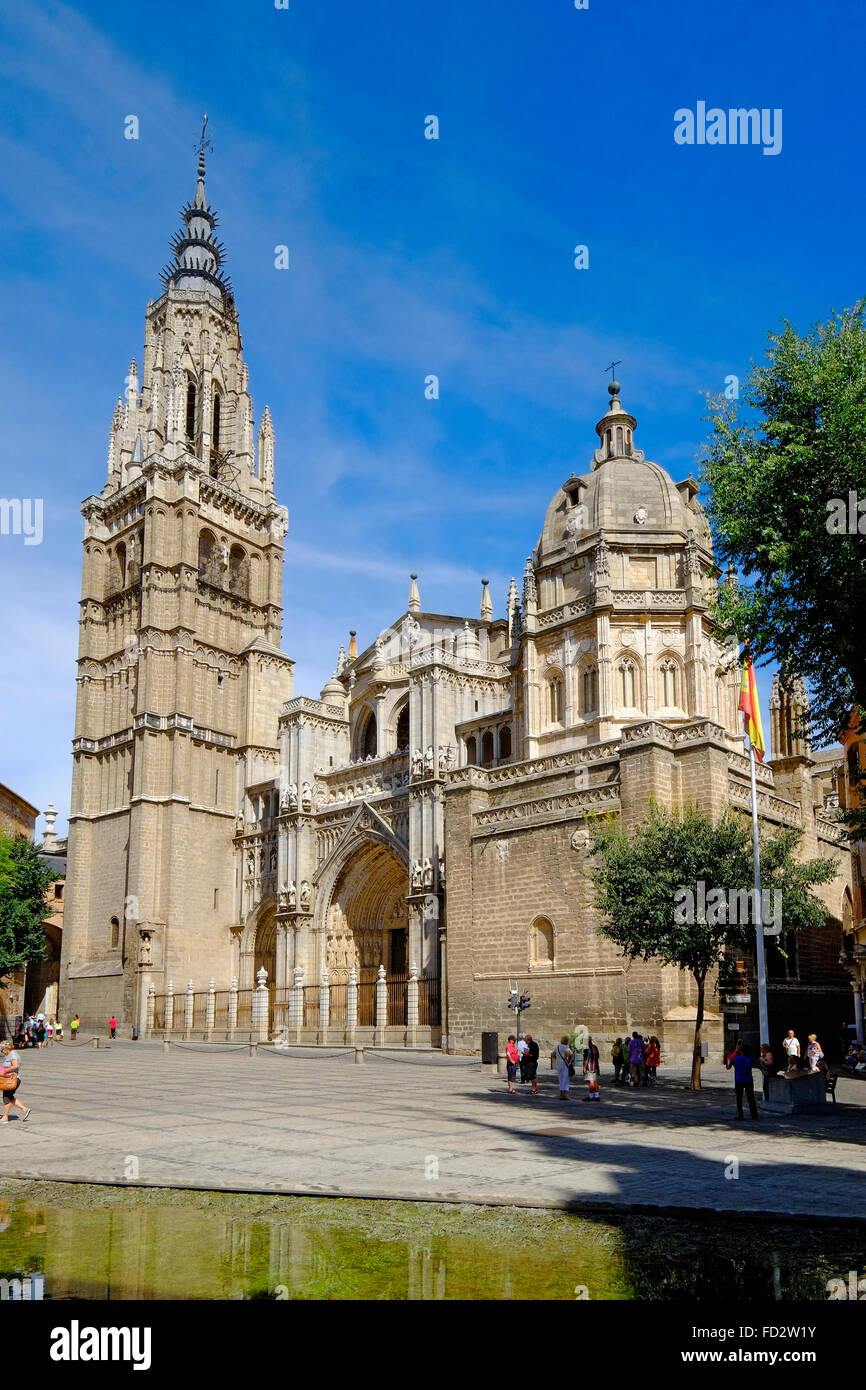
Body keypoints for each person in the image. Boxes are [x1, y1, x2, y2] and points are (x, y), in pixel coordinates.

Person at [726, 1042, 759, 1120]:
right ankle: (754, 1115)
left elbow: (729, 1061)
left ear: (741, 1051)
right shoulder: (750, 1058)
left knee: (739, 1098)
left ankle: (740, 1115)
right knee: (751, 1098)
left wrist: (735, 1051)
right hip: (748, 1079)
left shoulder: (737, 1059)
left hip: (739, 1080)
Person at [0, 1041, 31, 1123]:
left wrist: (5, 1071)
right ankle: (25, 1109)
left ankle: (5, 1117)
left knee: (6, 1097)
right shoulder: (11, 1054)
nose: (2, 1052)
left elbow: (15, 1066)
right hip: (11, 1079)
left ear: (5, 1048)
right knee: (9, 1096)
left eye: (2, 1050)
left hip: (13, 1079)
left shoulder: (12, 1054)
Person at [551, 1036, 573, 1100]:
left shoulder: (558, 1046)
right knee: (565, 1079)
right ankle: (564, 1095)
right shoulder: (566, 1047)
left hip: (558, 1063)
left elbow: (553, 1054)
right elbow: (568, 1054)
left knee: (560, 1079)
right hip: (564, 1064)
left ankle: (561, 1093)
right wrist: (568, 1061)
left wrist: (557, 1058)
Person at [583, 1035, 601, 1101]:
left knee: (591, 1082)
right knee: (595, 1081)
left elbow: (586, 1059)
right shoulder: (595, 1047)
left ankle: (590, 1096)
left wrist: (584, 1067)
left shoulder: (587, 1049)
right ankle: (597, 1095)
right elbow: (597, 1057)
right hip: (595, 1066)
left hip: (590, 1067)